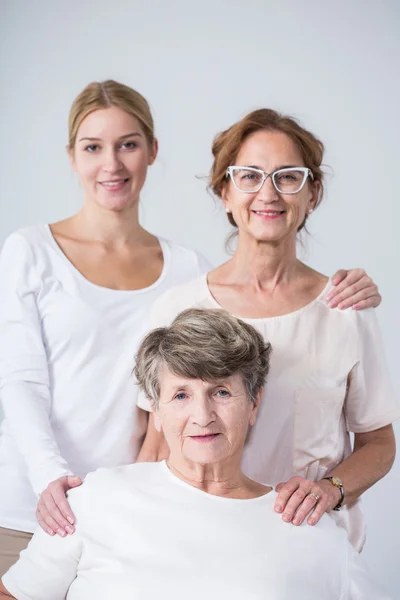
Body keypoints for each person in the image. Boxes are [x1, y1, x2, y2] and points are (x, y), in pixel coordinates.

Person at [0, 81, 381, 576]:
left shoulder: (189, 274)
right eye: (93, 147)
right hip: (42, 503)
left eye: (128, 144)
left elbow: (375, 439)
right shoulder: (38, 254)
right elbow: (24, 384)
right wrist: (79, 492)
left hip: (266, 536)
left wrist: (330, 491)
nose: (111, 164)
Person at [136, 108, 399, 551]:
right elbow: (155, 445)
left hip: (313, 545)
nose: (269, 193)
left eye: (288, 177)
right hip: (202, 545)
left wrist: (329, 490)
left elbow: (378, 444)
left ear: (312, 193)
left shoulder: (345, 308)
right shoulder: (177, 308)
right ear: (225, 192)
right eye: (250, 176)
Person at [0, 309, 391, 599]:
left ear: (254, 403)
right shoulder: (93, 502)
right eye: (181, 395)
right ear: (156, 410)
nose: (202, 416)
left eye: (221, 392)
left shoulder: (309, 529)